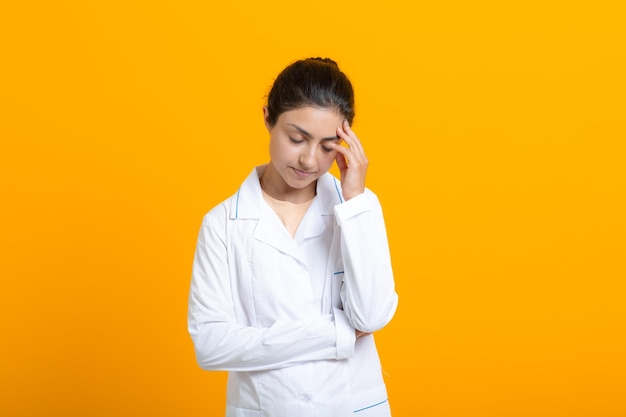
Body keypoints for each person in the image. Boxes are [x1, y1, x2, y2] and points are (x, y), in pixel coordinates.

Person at [188, 57, 399, 417]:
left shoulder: (359, 207)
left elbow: (372, 316)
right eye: (296, 138)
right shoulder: (222, 223)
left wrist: (355, 203)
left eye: (328, 146)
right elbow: (210, 345)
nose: (309, 160)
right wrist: (335, 334)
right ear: (268, 117)